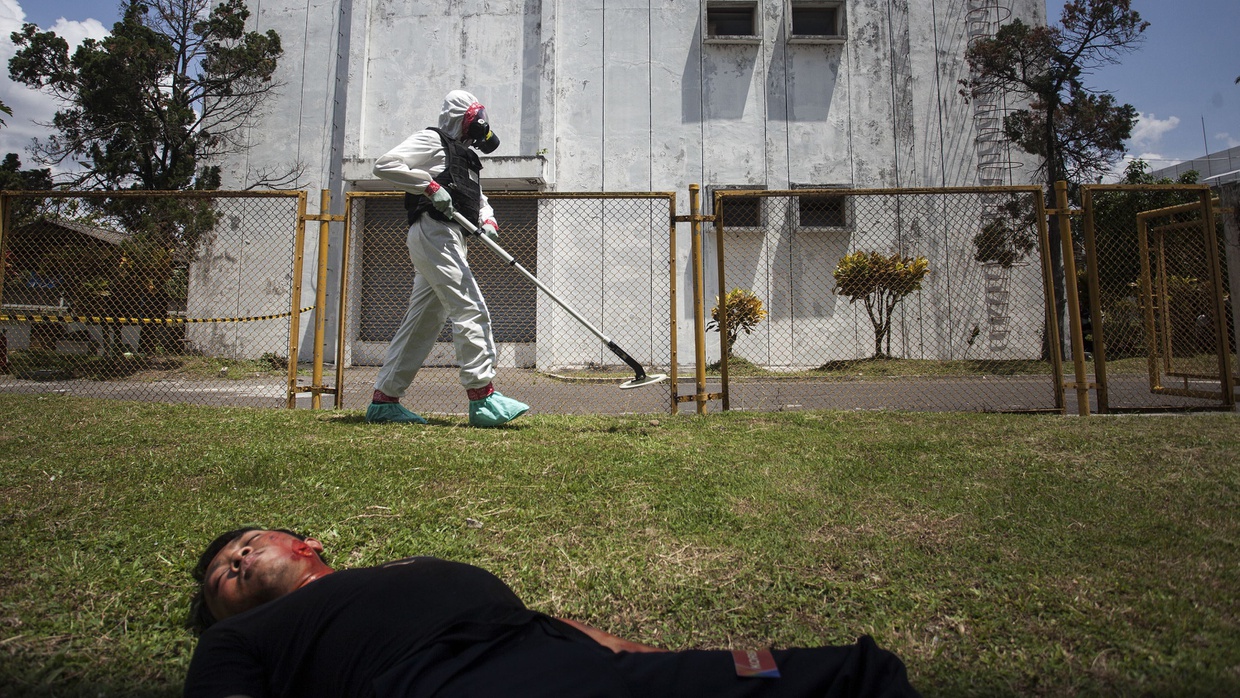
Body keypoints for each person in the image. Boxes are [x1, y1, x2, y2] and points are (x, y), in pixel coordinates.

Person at [184, 527, 923, 698]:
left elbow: (557, 627)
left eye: (246, 543)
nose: (238, 561)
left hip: (544, 653)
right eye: (224, 573)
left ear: (308, 542)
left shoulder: (405, 569)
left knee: (852, 677)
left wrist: (658, 663)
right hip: (437, 683)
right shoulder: (242, 639)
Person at [367, 89, 528, 427]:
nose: (479, 131)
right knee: (469, 306)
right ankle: (483, 397)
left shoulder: (465, 157)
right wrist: (427, 186)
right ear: (465, 117)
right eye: (476, 122)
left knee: (423, 321)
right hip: (433, 231)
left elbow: (475, 196)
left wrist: (487, 217)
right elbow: (384, 165)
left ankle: (385, 401)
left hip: (452, 236)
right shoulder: (431, 140)